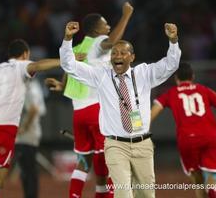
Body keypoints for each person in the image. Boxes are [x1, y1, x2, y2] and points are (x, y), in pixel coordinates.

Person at [59, 21, 180, 198]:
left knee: (146, 194)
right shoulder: (101, 76)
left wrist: (174, 41)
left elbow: (171, 64)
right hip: (116, 145)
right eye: (114, 53)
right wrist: (68, 39)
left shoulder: (144, 73)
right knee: (123, 193)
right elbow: (69, 65)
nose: (118, 55)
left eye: (123, 52)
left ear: (131, 57)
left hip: (143, 144)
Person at [45, 2, 133, 198]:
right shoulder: (98, 42)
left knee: (84, 161)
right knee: (111, 160)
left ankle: (75, 196)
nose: (108, 26)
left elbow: (69, 67)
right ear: (96, 30)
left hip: (79, 113)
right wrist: (126, 15)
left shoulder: (77, 48)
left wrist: (61, 86)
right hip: (98, 110)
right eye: (105, 24)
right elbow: (111, 42)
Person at [0, 39, 60, 198]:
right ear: (26, 54)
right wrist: (66, 61)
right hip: (1, 128)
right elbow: (38, 66)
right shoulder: (21, 66)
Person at [151, 62, 216, 198]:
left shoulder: (170, 93)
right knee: (212, 172)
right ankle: (214, 191)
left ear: (176, 78)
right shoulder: (204, 90)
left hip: (186, 139)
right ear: (192, 76)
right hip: (209, 136)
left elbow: (152, 113)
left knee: (197, 180)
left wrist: (142, 132)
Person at [15, 78, 46, 198]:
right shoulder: (35, 86)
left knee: (27, 170)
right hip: (31, 134)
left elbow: (33, 109)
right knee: (29, 170)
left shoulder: (27, 88)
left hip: (26, 136)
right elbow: (39, 109)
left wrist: (24, 128)